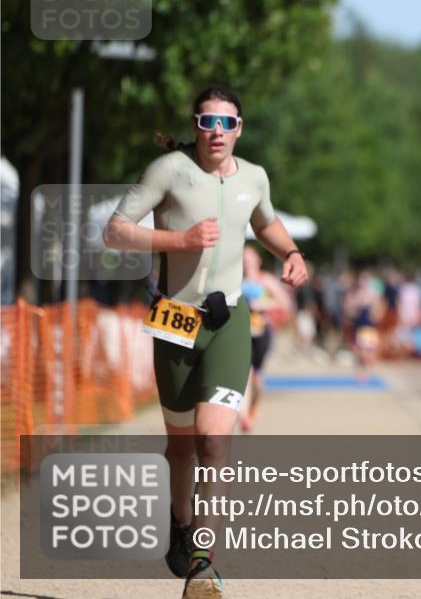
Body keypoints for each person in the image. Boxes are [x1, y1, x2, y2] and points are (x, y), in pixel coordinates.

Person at [104, 86, 308, 599]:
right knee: (180, 447)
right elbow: (116, 231)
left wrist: (292, 251)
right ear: (195, 126)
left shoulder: (255, 177)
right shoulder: (168, 170)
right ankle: (179, 522)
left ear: (240, 128)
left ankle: (202, 560)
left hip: (229, 321)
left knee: (213, 440)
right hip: (175, 320)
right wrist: (180, 240)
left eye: (226, 123)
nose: (216, 132)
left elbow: (267, 223)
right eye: (206, 122)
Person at [240, 244, 294, 432]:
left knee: (256, 378)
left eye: (249, 258)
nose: (246, 262)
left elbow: (285, 302)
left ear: (257, 260)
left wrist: (262, 304)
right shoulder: (235, 280)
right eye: (243, 258)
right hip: (241, 333)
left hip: (262, 332)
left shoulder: (266, 280)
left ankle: (253, 409)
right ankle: (244, 416)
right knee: (243, 375)